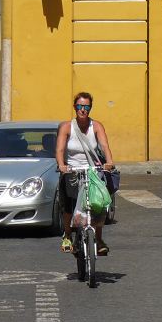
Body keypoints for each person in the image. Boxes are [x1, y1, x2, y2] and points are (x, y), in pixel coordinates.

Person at [54, 91, 116, 258]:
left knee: (98, 204)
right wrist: (62, 165)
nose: (83, 110)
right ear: (75, 107)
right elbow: (60, 149)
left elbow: (104, 146)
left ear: (90, 108)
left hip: (92, 170)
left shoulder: (96, 126)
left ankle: (99, 240)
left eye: (86, 107)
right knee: (68, 205)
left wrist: (109, 162)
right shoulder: (67, 127)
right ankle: (67, 235)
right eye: (80, 106)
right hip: (72, 170)